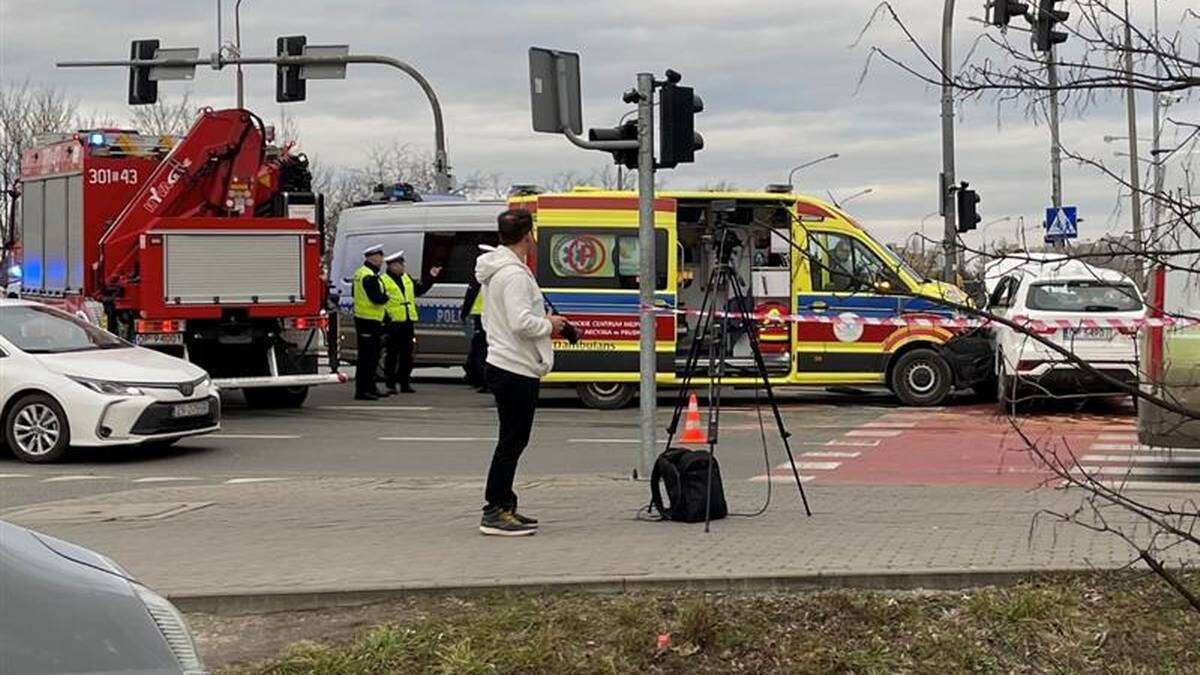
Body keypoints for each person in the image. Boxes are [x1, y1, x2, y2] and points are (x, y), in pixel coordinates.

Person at [475, 209, 569, 537]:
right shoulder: (513, 275)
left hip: (506, 362)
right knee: (512, 442)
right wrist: (551, 324)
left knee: (513, 440)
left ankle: (505, 504)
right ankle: (495, 510)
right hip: (514, 366)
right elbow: (520, 322)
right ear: (528, 235)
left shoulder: (499, 271)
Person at [380, 250, 440, 394]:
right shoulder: (383, 280)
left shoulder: (406, 278)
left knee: (407, 355)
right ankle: (390, 383)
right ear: (392, 266)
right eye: (400, 264)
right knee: (392, 355)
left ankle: (405, 382)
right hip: (392, 323)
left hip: (407, 322)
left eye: (402, 264)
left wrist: (431, 278)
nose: (403, 267)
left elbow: (419, 290)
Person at [352, 244, 390, 400]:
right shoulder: (368, 276)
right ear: (373, 258)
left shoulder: (362, 273)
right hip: (367, 321)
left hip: (368, 320)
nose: (382, 261)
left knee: (371, 357)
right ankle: (363, 390)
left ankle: (370, 387)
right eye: (380, 257)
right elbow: (376, 299)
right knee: (367, 358)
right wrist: (386, 297)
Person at [459, 256, 488, 392]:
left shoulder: (482, 279)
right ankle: (475, 377)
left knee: (480, 350)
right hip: (483, 317)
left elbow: (470, 296)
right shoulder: (487, 277)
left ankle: (482, 380)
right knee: (478, 349)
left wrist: (464, 314)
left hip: (484, 318)